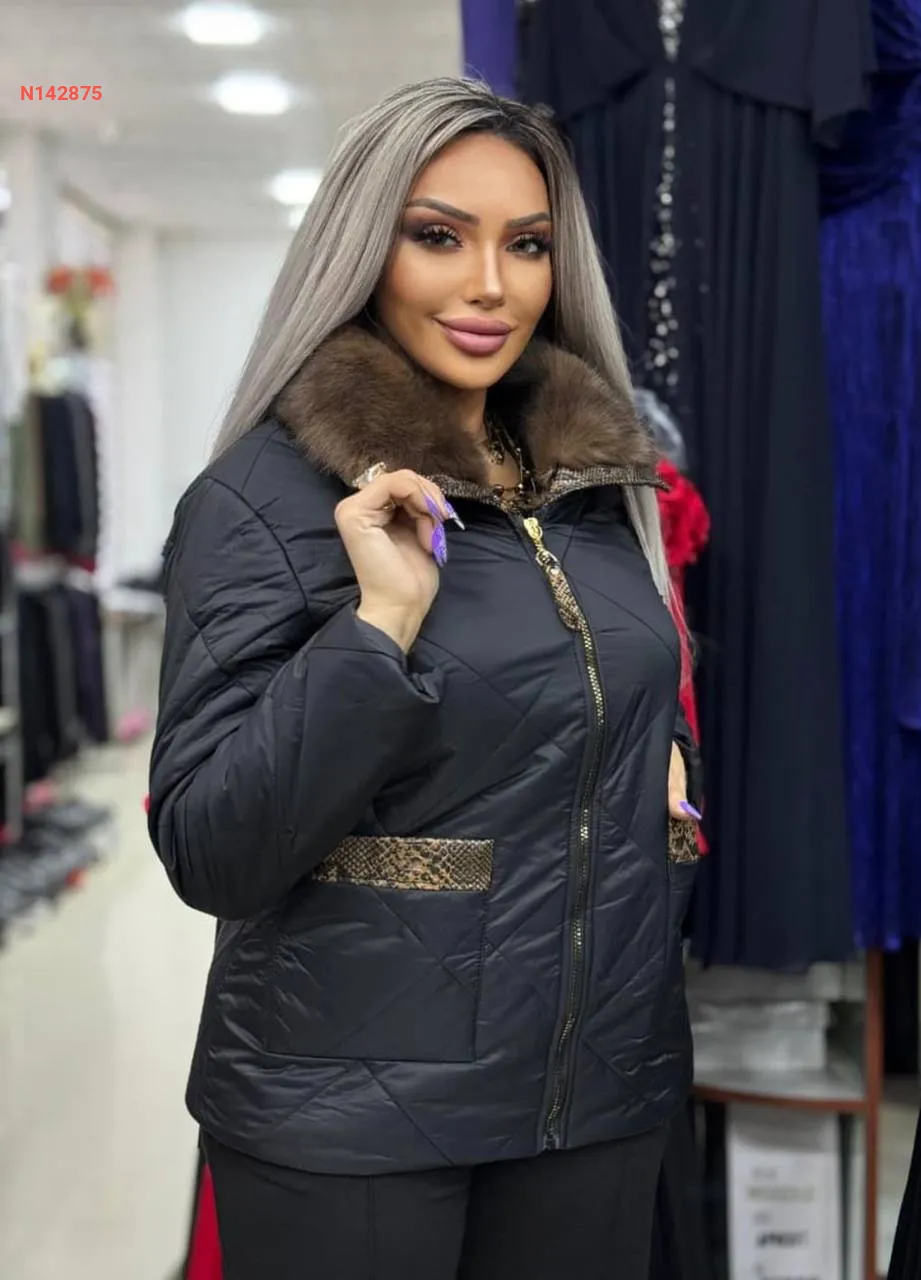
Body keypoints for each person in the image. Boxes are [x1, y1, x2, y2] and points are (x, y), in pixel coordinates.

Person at [148, 76, 702, 1280]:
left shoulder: (594, 485)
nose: (491, 283)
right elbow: (211, 846)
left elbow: (607, 697)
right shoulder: (262, 498)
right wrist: (379, 628)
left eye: (528, 244)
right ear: (364, 248)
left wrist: (666, 776)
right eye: (440, 236)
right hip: (351, 1117)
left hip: (595, 1090)